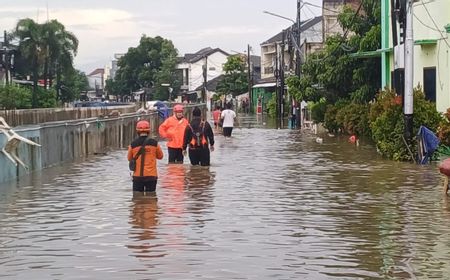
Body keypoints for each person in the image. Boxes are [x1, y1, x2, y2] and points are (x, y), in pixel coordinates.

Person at [127, 120, 163, 193]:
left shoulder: (133, 144)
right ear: (148, 131)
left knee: (137, 199)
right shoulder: (154, 143)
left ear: (137, 131)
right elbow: (160, 156)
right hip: (151, 176)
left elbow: (129, 158)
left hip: (138, 177)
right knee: (151, 199)